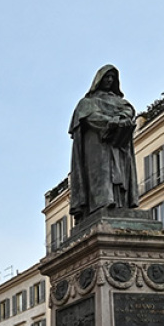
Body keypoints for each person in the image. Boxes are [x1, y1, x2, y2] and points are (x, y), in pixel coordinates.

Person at [68, 64, 138, 222]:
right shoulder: (87, 102)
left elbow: (129, 111)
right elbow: (91, 117)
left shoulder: (120, 101)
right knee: (102, 173)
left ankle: (121, 203)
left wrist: (120, 120)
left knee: (120, 172)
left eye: (112, 77)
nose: (109, 80)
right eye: (106, 77)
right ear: (99, 80)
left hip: (118, 145)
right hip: (98, 145)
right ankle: (102, 203)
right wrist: (111, 121)